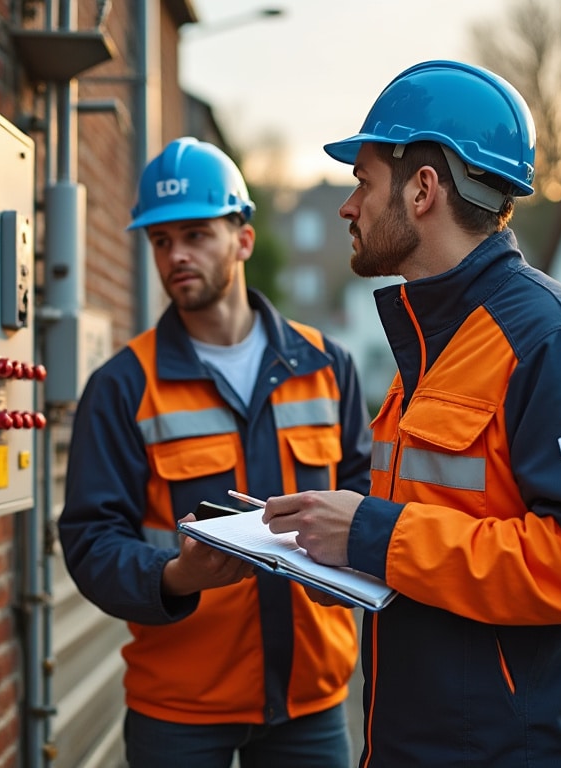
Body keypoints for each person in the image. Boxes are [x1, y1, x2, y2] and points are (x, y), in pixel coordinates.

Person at [261, 60, 561, 766]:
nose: (348, 207)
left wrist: (373, 535)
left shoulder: (553, 340)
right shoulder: (428, 346)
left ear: (422, 189)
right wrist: (338, 551)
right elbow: (441, 531)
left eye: (362, 182)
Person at [57, 136, 374, 768]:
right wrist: (176, 577)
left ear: (244, 239)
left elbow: (369, 499)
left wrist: (349, 565)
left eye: (196, 234)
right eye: (161, 240)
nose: (176, 254)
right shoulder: (124, 385)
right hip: (178, 711)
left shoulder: (326, 366)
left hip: (312, 702)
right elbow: (90, 541)